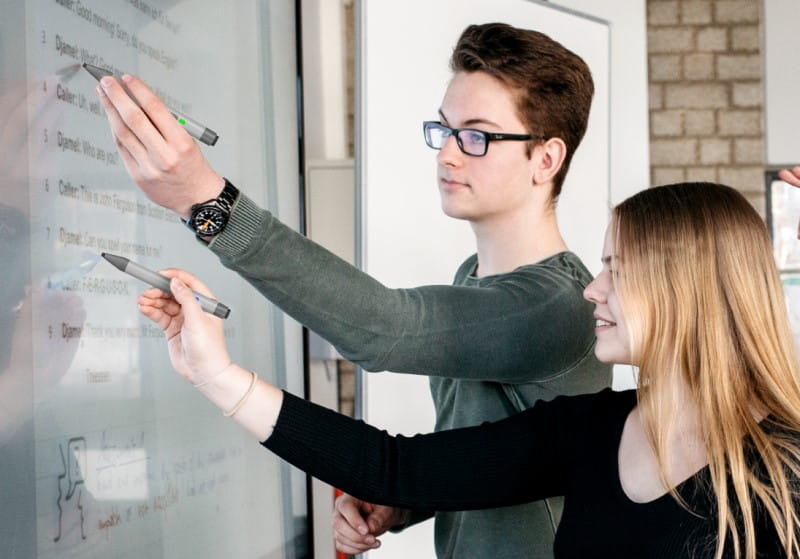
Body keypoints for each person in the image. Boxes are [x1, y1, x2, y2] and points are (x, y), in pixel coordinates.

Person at [95, 23, 610, 557]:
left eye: (476, 136)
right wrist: (403, 503)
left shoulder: (557, 305)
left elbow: (385, 328)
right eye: (444, 130)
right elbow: (489, 457)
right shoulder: (473, 276)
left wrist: (208, 201)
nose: (447, 155)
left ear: (546, 159)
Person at [137, 180, 800, 559]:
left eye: (617, 271)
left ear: (684, 287)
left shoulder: (785, 470)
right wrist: (215, 374)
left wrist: (211, 204)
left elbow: (382, 325)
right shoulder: (591, 430)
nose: (593, 290)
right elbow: (390, 467)